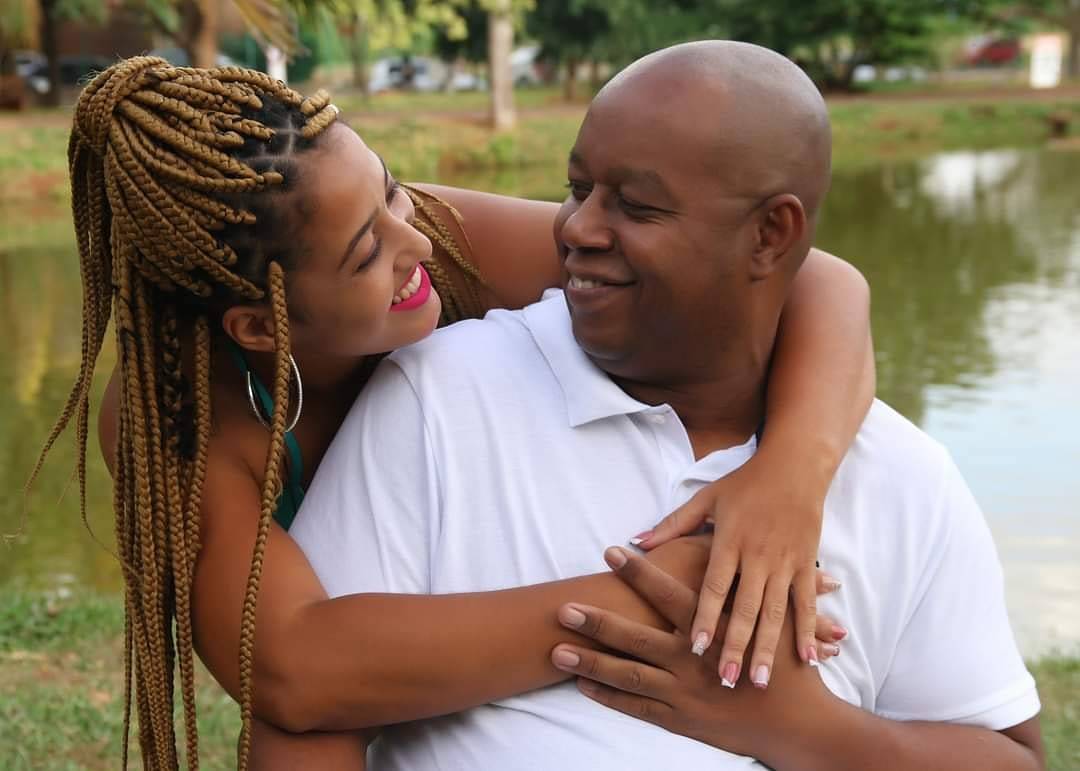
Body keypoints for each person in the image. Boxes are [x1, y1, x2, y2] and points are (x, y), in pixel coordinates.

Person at [36, 56, 870, 769]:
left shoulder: (428, 235)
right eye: (368, 251)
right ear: (257, 326)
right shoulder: (174, 414)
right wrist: (650, 593)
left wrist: (789, 477)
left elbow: (817, 279)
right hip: (372, 636)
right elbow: (292, 669)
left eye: (393, 193)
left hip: (471, 553)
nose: (420, 244)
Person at [291, 41, 1044, 769]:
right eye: (577, 188)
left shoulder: (901, 473)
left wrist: (804, 730)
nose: (577, 228)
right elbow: (305, 704)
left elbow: (1008, 757)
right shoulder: (439, 395)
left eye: (636, 206)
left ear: (770, 234)